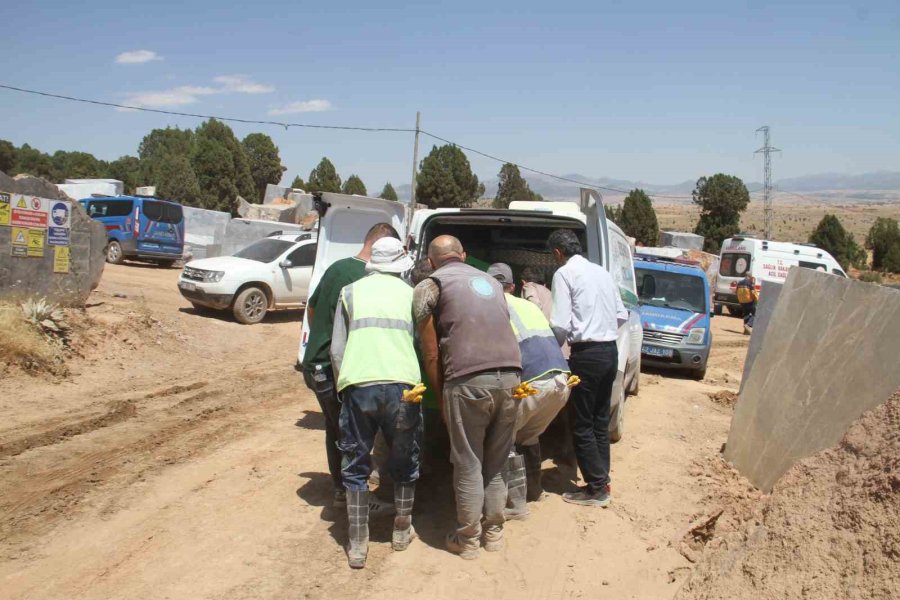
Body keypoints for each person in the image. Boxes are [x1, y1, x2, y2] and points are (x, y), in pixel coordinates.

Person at [414, 236, 522, 559]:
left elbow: (431, 353)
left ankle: (469, 540)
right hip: (512, 377)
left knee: (468, 461)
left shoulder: (430, 286)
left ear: (431, 262)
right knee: (497, 461)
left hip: (468, 379)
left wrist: (441, 399)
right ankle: (494, 534)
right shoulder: (493, 283)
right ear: (463, 255)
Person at [330, 237, 423, 568]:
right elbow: (420, 343)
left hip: (360, 385)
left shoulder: (350, 292)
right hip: (403, 388)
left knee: (355, 461)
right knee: (405, 457)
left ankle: (358, 543)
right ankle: (401, 530)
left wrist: (346, 386)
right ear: (400, 263)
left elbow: (337, 350)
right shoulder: (412, 294)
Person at [299, 222, 399, 510]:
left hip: (315, 363)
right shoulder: (364, 277)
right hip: (333, 367)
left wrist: (322, 335)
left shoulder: (337, 268)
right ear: (381, 247)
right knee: (350, 433)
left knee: (336, 427)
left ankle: (341, 488)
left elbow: (312, 308)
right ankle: (351, 493)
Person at [548, 229, 627, 508]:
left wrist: (550, 352)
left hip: (586, 355)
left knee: (581, 423)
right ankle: (602, 479)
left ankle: (597, 488)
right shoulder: (602, 272)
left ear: (558, 253)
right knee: (599, 421)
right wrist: (601, 330)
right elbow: (621, 315)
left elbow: (560, 324)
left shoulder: (564, 274)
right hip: (609, 351)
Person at [487, 263, 571, 521]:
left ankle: (515, 504)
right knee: (529, 436)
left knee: (504, 439)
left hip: (532, 382)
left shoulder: (493, 307)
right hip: (561, 380)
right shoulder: (528, 306)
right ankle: (534, 491)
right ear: (513, 287)